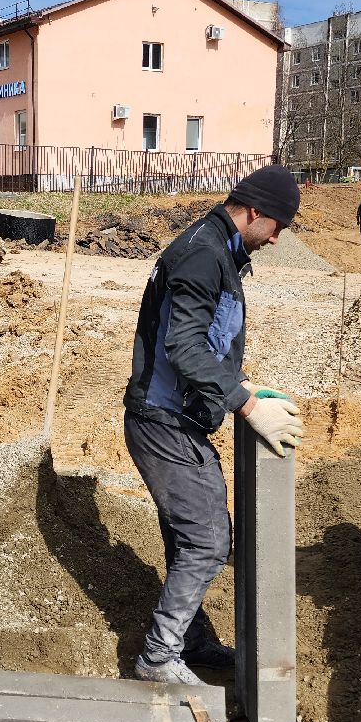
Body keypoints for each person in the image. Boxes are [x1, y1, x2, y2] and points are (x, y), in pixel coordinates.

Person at [123, 165, 306, 686]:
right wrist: (245, 406)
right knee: (205, 540)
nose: (276, 238)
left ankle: (191, 638)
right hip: (163, 420)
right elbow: (182, 347)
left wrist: (244, 384)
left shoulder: (222, 249)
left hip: (178, 416)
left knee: (190, 536)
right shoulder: (205, 254)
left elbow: (209, 340)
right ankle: (159, 657)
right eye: (277, 226)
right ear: (253, 212)